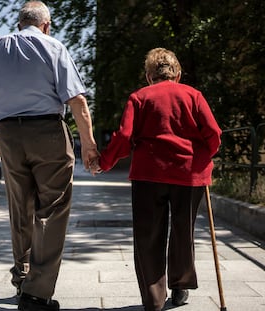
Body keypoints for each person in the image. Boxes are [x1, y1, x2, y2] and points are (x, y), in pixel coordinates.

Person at [0, 2, 99, 310]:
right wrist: (89, 144)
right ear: (46, 25)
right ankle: (37, 293)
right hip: (47, 132)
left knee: (20, 206)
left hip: (10, 134)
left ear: (19, 23)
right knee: (51, 209)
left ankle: (22, 277)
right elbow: (77, 101)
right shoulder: (53, 47)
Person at [94, 48, 222, 311]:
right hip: (188, 174)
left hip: (149, 174)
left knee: (148, 236)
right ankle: (181, 286)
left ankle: (153, 300)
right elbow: (213, 133)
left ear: (148, 75)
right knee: (183, 231)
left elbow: (123, 137)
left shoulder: (139, 97)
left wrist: (104, 162)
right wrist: (202, 159)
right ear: (177, 74)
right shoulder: (193, 95)